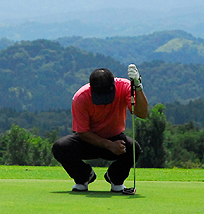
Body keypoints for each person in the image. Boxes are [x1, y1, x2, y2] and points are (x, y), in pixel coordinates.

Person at [52, 64, 149, 194]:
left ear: (114, 85)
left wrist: (138, 87)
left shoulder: (125, 86)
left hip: (115, 137)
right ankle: (84, 177)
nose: (104, 102)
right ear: (91, 88)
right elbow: (82, 132)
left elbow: (142, 113)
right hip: (87, 140)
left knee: (133, 149)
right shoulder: (80, 97)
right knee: (60, 147)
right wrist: (109, 145)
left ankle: (116, 179)